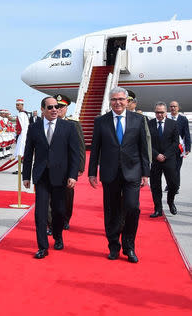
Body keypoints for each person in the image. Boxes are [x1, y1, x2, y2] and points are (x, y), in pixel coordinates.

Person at [89, 87, 150, 263]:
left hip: (133, 172)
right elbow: (95, 149)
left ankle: (129, 246)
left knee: (132, 208)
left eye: (121, 99)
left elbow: (143, 148)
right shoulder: (101, 121)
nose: (118, 102)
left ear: (127, 101)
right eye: (114, 99)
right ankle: (114, 246)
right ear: (110, 101)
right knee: (111, 211)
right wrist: (92, 172)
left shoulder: (138, 120)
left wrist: (145, 172)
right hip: (110, 173)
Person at [22, 96, 79, 259]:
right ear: (42, 109)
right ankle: (42, 246)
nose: (55, 110)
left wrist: (72, 175)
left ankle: (58, 236)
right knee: (40, 213)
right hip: (41, 176)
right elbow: (28, 153)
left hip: (60, 177)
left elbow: (74, 154)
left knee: (59, 211)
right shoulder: (34, 128)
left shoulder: (68, 127)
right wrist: (26, 176)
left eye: (57, 107)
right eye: (50, 107)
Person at [55, 94, 85, 229]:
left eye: (61, 107)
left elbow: (80, 147)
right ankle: (52, 223)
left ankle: (66, 219)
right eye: (56, 106)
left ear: (67, 108)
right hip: (51, 166)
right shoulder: (46, 123)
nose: (58, 109)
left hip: (67, 166)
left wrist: (80, 166)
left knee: (67, 195)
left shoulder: (73, 124)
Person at [148, 102, 179, 217]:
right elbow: (147, 142)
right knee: (155, 186)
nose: (159, 114)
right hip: (155, 160)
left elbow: (176, 142)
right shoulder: (149, 124)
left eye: (161, 112)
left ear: (166, 112)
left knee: (174, 184)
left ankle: (170, 202)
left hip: (169, 159)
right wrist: (156, 155)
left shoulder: (173, 124)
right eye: (157, 112)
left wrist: (165, 155)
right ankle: (158, 209)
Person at [167, 101, 191, 191]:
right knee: (169, 168)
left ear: (178, 108)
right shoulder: (167, 118)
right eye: (171, 106)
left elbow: (187, 134)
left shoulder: (183, 119)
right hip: (168, 147)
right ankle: (170, 184)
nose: (173, 108)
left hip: (179, 148)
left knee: (177, 167)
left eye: (175, 106)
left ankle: (176, 186)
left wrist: (188, 147)